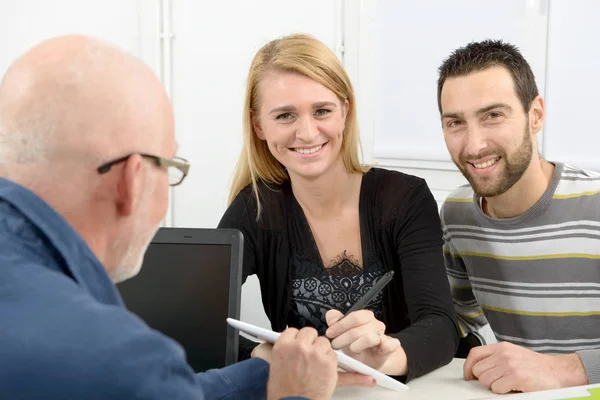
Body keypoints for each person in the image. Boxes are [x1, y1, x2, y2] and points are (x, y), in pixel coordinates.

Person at [0, 34, 341, 400]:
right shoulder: (116, 357)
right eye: (170, 166)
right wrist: (296, 394)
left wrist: (265, 371)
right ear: (132, 181)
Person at [218, 33, 459, 382]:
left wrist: (386, 359)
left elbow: (440, 326)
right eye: (285, 116)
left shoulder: (405, 198)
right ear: (259, 125)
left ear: (345, 111)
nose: (307, 132)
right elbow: (195, 320)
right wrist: (258, 353)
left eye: (322, 111)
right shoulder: (254, 209)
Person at [438, 39, 600, 394]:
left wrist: (565, 369)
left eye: (493, 115)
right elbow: (460, 321)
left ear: (536, 115)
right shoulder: (457, 214)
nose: (474, 144)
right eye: (455, 122)